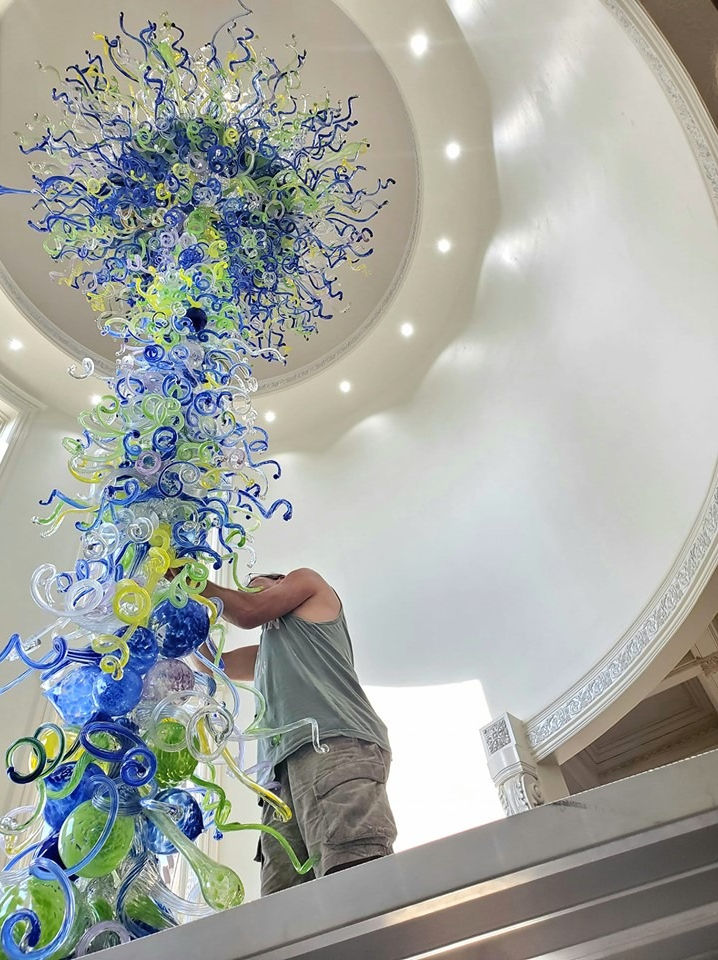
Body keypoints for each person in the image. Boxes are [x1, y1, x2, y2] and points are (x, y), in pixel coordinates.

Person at [194, 567, 396, 896]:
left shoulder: (307, 583)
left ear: (279, 583)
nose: (248, 591)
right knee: (284, 903)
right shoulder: (267, 654)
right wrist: (181, 615)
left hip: (331, 747)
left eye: (255, 586)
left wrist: (189, 579)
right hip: (278, 781)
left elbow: (247, 610)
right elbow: (211, 666)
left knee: (353, 875)